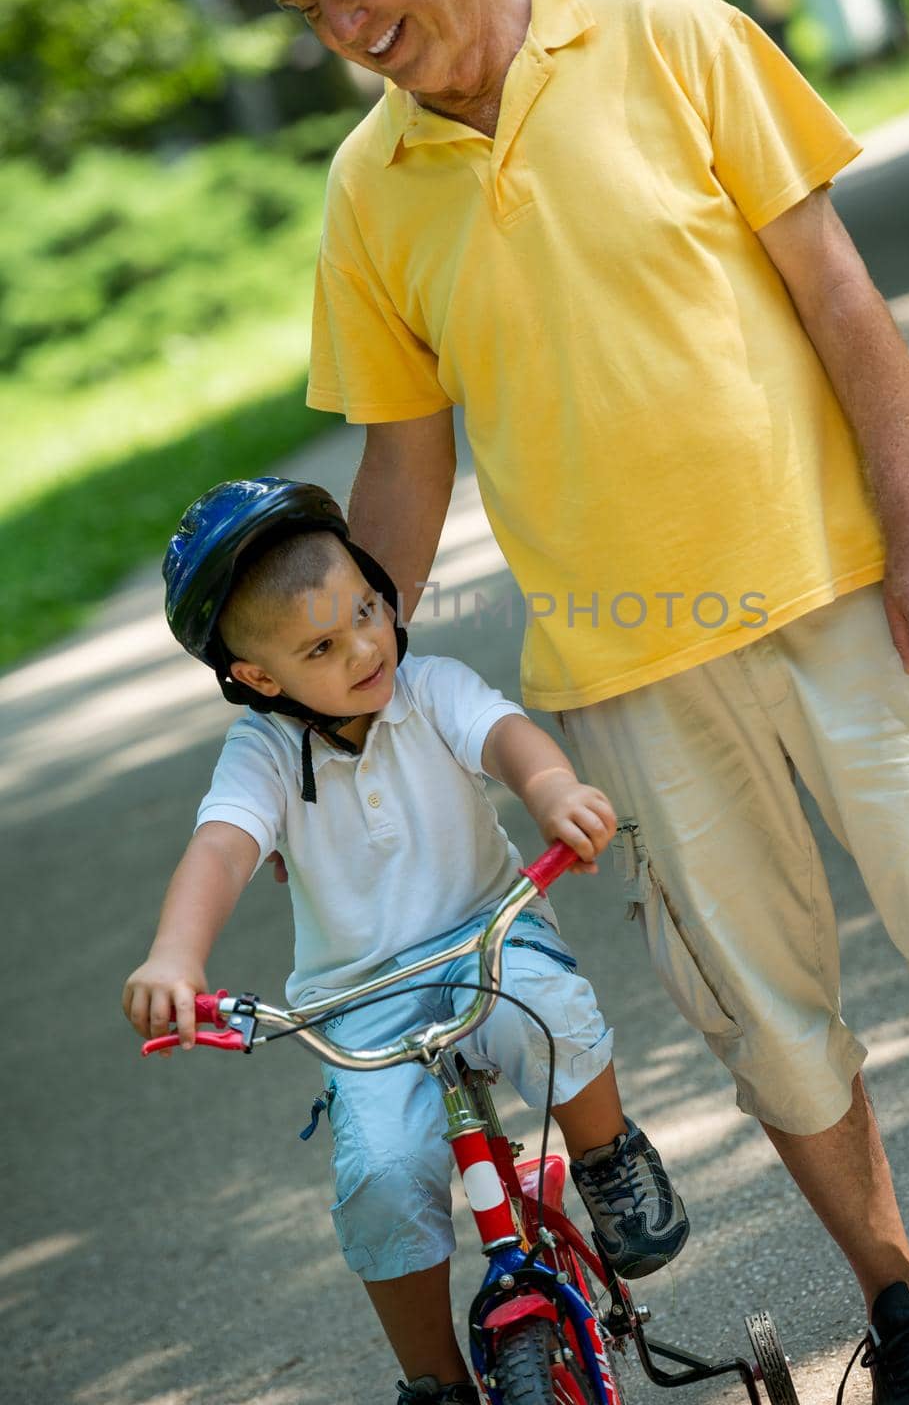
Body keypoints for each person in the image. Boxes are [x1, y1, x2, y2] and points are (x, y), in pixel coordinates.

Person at [225, 0, 909, 1401]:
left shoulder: (667, 31)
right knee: (772, 1026)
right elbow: (403, 463)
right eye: (307, 10)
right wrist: (334, 676)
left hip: (845, 601)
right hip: (625, 672)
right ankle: (901, 1309)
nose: (345, 27)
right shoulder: (370, 190)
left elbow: (839, 294)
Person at [121, 477, 689, 1405]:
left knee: (551, 1016)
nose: (365, 648)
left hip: (487, 942)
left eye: (369, 612)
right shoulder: (261, 756)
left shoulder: (428, 689)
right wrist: (176, 956)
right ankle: (433, 1378)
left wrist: (549, 793)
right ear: (259, 679)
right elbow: (221, 852)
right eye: (321, 645)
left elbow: (504, 737)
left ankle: (608, 1158)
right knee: (380, 1174)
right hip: (359, 999)